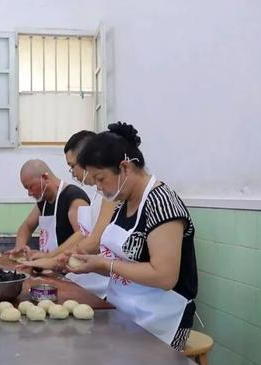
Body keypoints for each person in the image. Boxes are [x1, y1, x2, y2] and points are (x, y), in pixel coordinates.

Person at [68, 122, 198, 351]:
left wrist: (106, 265)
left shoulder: (162, 203)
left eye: (100, 178)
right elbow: (123, 265)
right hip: (122, 308)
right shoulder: (123, 205)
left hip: (160, 317)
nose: (98, 188)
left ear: (125, 168)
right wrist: (91, 265)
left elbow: (164, 276)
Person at [20, 131, 117, 299]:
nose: (72, 172)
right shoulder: (100, 194)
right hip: (94, 280)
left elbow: (93, 242)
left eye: (72, 166)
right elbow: (88, 236)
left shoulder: (76, 196)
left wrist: (53, 260)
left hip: (102, 285)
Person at [7, 159, 89, 257]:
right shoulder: (44, 201)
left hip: (72, 267)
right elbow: (27, 226)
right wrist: (20, 246)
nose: (29, 193)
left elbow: (83, 235)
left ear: (44, 177)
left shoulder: (74, 198)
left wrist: (50, 256)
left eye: (30, 187)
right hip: (50, 266)